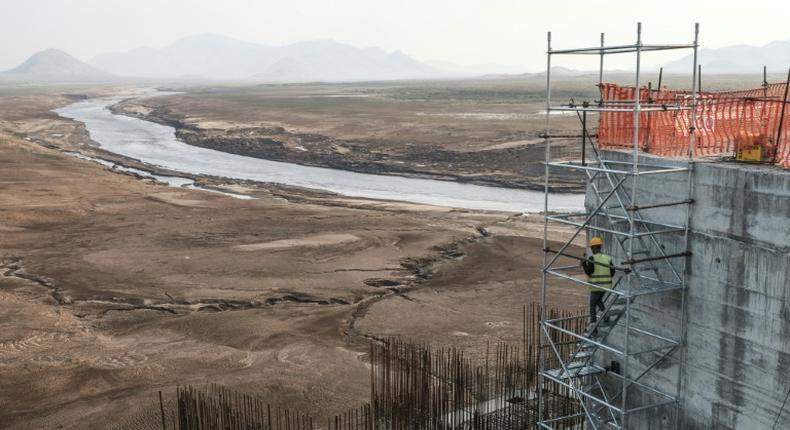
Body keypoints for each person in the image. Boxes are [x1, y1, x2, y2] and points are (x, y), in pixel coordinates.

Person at [581, 236, 614, 331]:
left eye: (592, 247)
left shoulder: (592, 258)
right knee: (598, 300)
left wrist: (584, 264)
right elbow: (612, 272)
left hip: (596, 286)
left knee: (592, 305)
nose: (591, 249)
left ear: (595, 247)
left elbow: (589, 272)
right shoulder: (608, 258)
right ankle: (606, 315)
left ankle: (593, 324)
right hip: (606, 286)